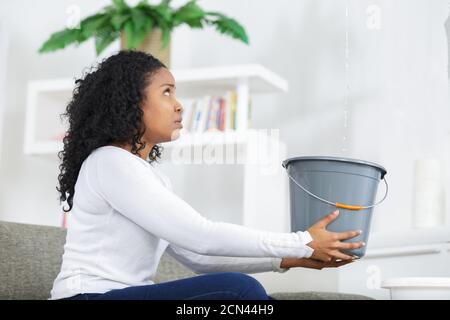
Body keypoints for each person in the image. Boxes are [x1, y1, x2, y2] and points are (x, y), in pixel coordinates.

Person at [50, 51, 364, 300]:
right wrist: (302, 242)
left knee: (236, 292)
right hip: (87, 296)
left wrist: (287, 259)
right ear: (131, 102)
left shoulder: (149, 177)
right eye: (167, 92)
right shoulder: (110, 162)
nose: (178, 106)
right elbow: (201, 236)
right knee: (236, 292)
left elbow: (197, 257)